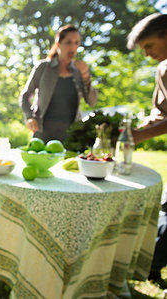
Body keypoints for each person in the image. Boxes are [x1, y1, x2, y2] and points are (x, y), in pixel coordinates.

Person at [127, 12, 167, 289]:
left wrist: (139, 136)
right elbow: (160, 112)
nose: (147, 54)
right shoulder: (162, 69)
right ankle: (150, 265)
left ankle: (146, 264)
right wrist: (135, 126)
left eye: (149, 46)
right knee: (165, 208)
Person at [19, 24, 98, 143]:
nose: (73, 47)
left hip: (71, 136)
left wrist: (86, 76)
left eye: (76, 43)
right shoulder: (43, 67)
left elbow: (92, 102)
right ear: (58, 44)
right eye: (68, 42)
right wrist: (29, 116)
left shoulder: (80, 71)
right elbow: (25, 96)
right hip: (43, 133)